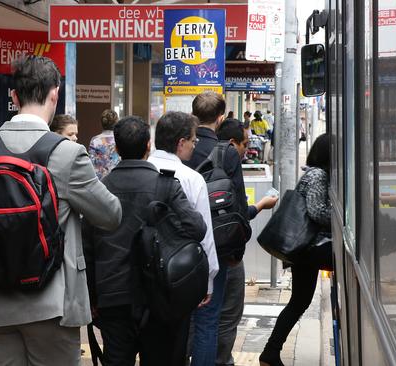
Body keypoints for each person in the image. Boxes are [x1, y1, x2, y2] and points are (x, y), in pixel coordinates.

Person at [0, 55, 122, 366]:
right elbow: (111, 215)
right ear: (55, 93)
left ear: (13, 96)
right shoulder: (68, 155)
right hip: (53, 305)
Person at [83, 116, 207, 366]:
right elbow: (197, 228)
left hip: (113, 297)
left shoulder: (100, 190)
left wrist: (93, 298)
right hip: (159, 296)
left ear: (116, 149)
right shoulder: (167, 186)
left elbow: (87, 248)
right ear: (148, 145)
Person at [186, 94, 277, 366]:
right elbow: (237, 206)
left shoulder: (180, 147)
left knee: (184, 317)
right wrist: (237, 248)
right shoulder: (225, 152)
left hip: (180, 244)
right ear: (221, 118)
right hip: (216, 246)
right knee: (208, 318)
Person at [259, 133, 332, 366]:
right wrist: (346, 218)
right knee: (299, 301)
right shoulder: (318, 175)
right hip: (307, 249)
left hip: (304, 250)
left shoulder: (314, 173)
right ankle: (269, 353)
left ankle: (270, 353)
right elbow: (317, 210)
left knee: (299, 302)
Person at [147, 111, 219, 307]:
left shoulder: (144, 170)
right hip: (180, 272)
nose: (194, 146)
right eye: (193, 141)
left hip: (142, 271)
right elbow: (205, 235)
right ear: (181, 143)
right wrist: (209, 279)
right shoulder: (192, 179)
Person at [89, 109, 121, 179]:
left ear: (101, 123)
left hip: (100, 179)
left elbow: (91, 162)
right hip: (117, 177)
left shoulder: (95, 140)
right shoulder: (120, 139)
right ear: (116, 123)